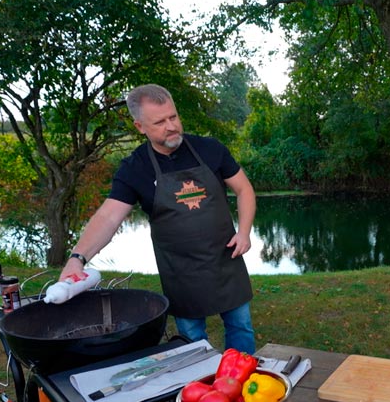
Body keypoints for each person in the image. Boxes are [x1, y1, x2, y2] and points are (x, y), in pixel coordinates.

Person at [60, 84, 257, 353]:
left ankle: (244, 381)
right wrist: (77, 258)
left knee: (241, 327)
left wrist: (244, 232)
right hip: (181, 272)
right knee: (192, 339)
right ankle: (202, 387)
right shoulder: (135, 168)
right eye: (160, 122)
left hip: (226, 260)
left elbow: (244, 189)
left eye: (173, 117)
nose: (171, 126)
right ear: (140, 126)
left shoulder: (210, 149)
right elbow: (108, 217)